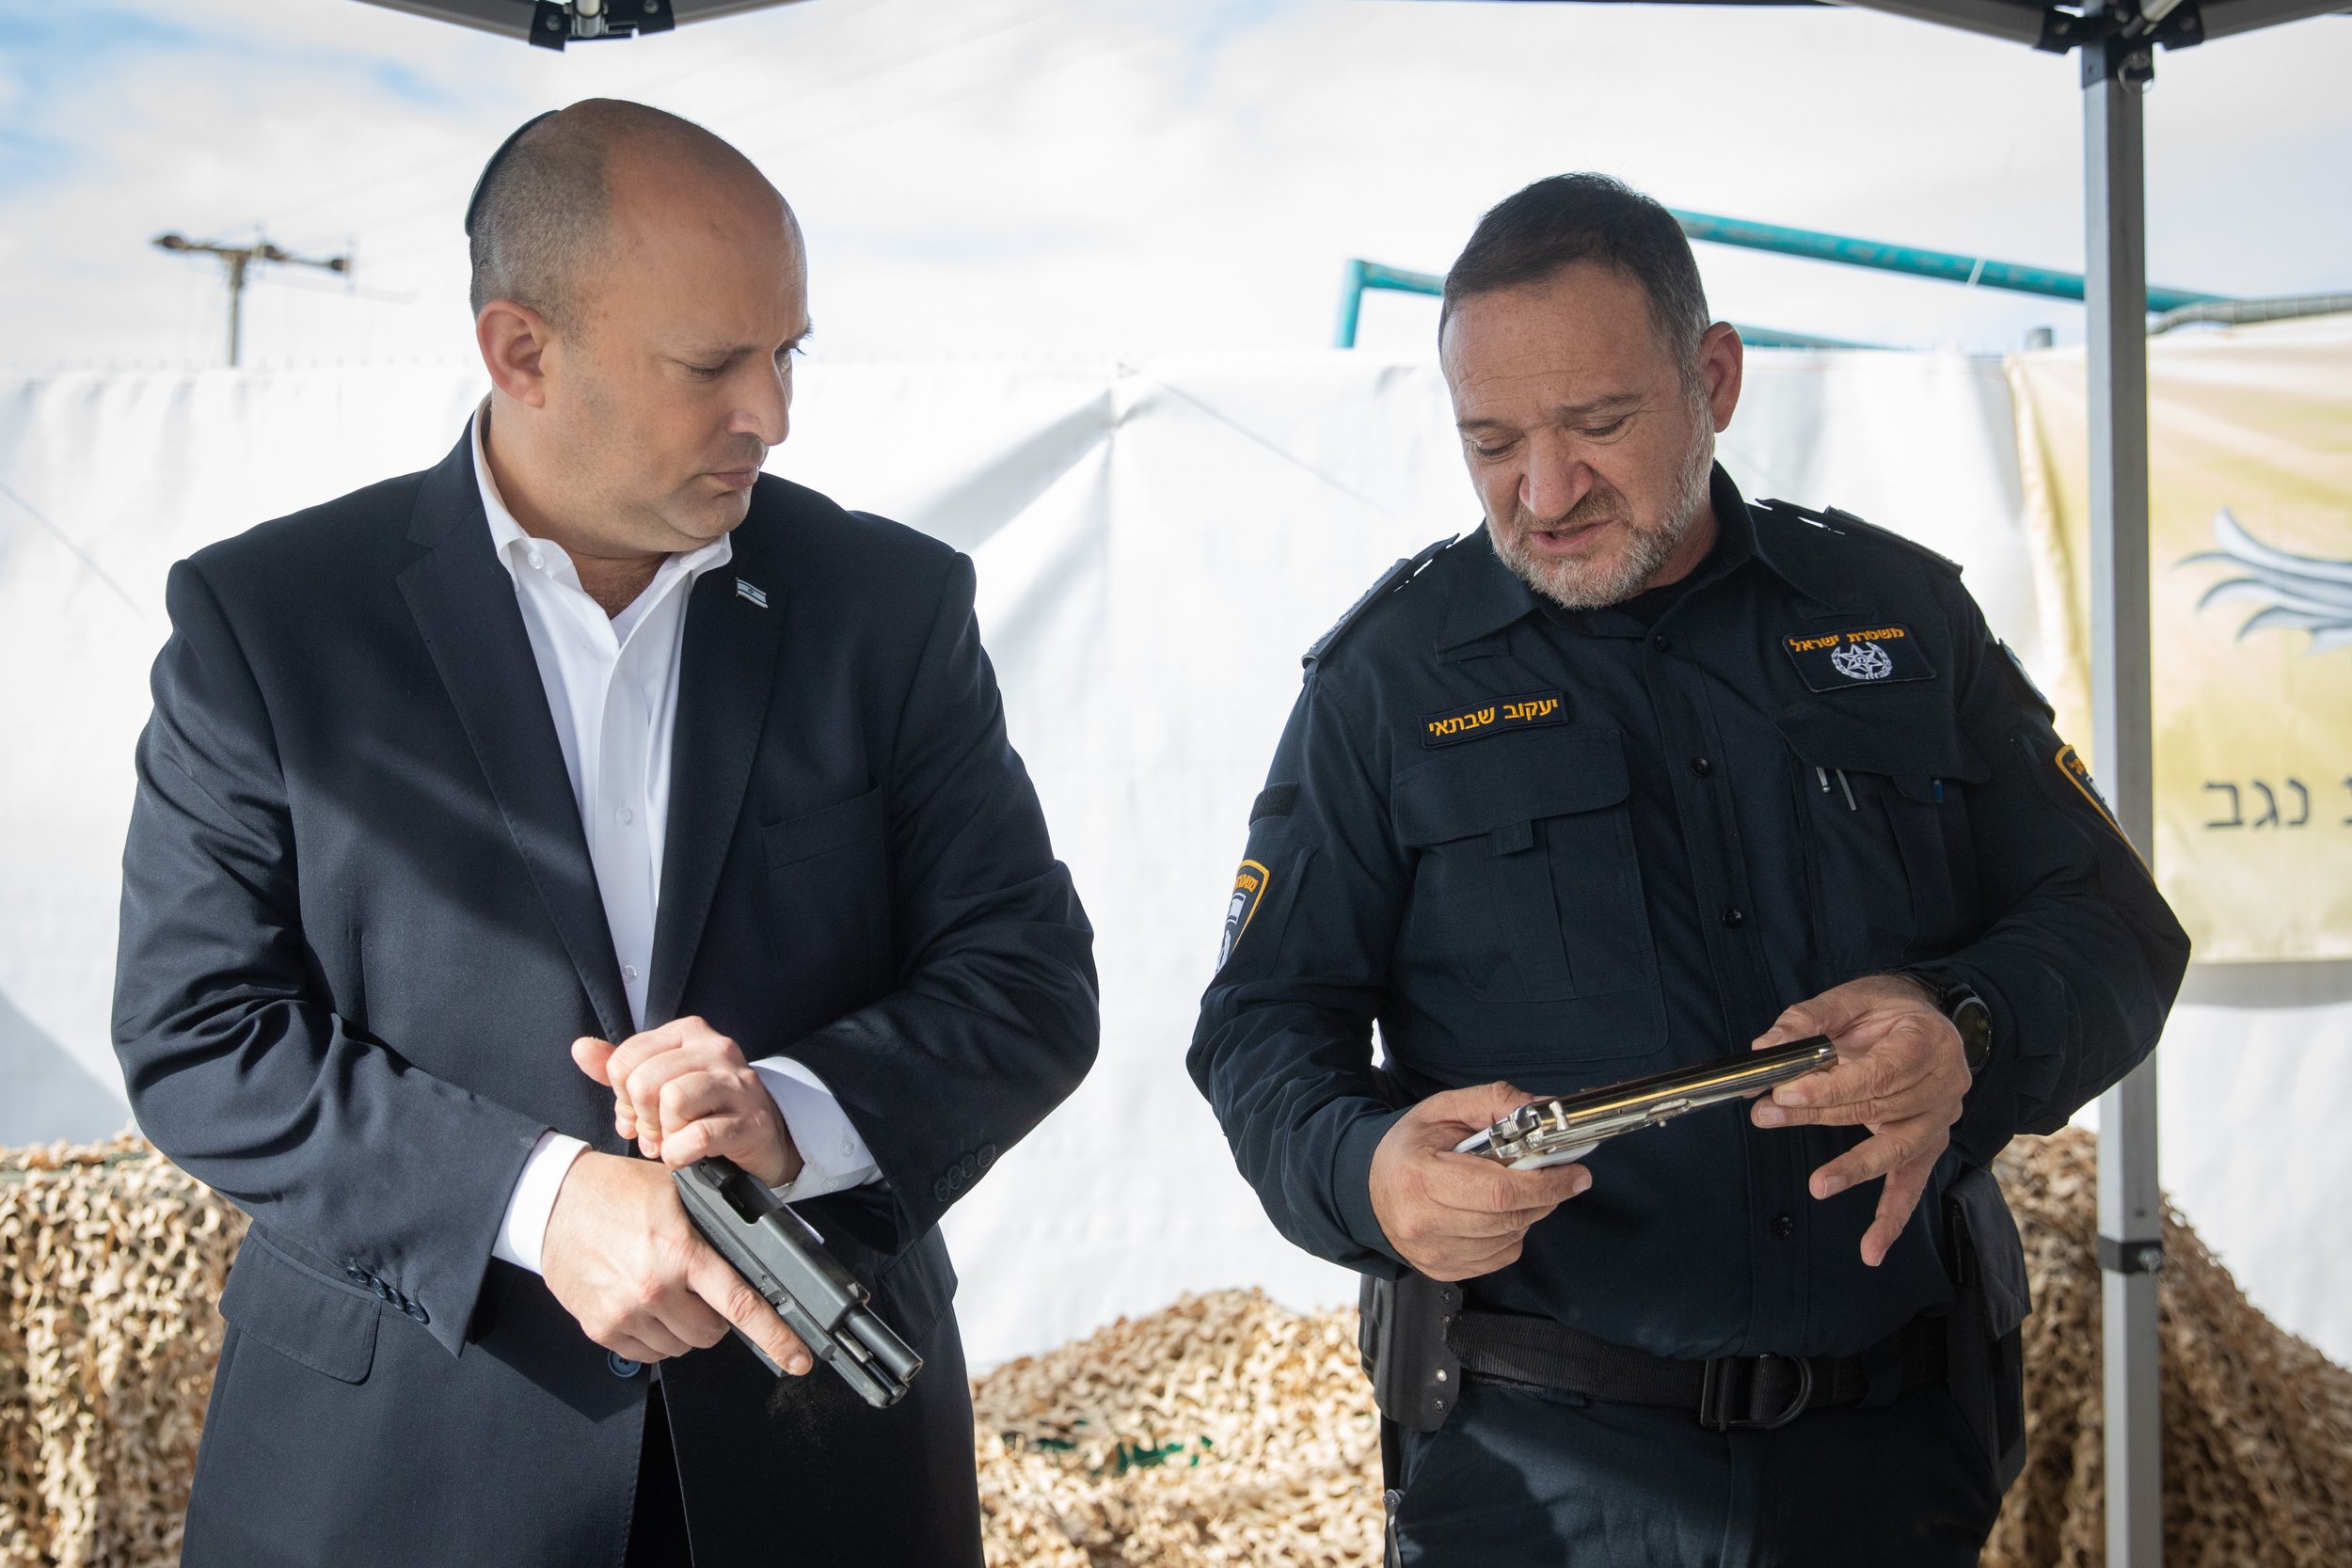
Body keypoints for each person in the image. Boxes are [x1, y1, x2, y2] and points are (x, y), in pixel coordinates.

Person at [112, 100, 1097, 1568]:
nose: (772, 412)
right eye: (714, 365)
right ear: (522, 351)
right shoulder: (268, 625)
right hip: (395, 1478)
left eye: (788, 351)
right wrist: (542, 1201)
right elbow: (201, 1034)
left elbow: (1026, 979)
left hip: (818, 1469)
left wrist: (788, 1113)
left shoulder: (889, 609)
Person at [1189, 173, 2187, 1565]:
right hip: (1538, 1480)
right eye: (1491, 443)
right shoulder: (1387, 683)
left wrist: (1967, 1028)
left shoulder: (1895, 619)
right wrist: (1369, 1176)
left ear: (1712, 378)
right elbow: (1258, 1026)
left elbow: (2114, 926)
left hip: (1892, 1452)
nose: (1544, 491)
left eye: (1598, 423)